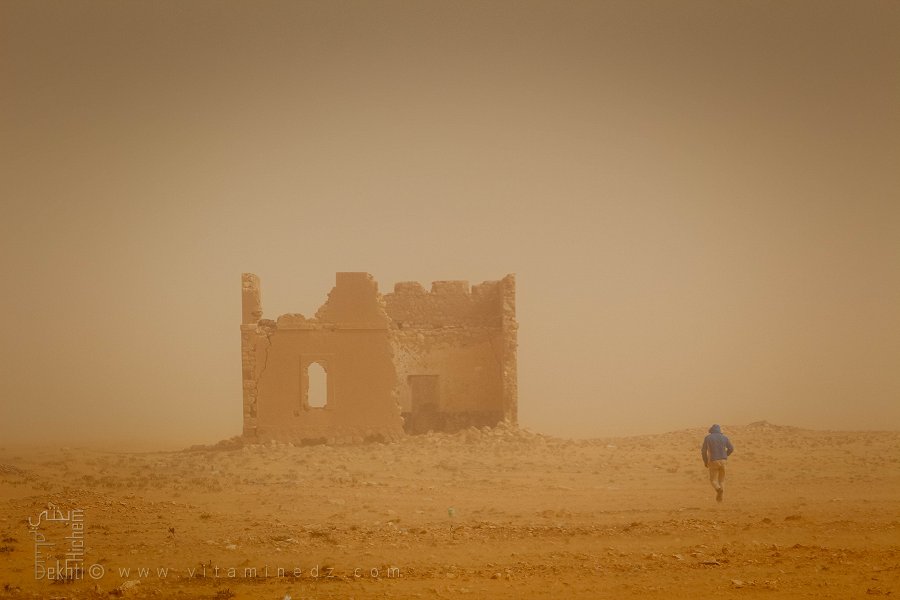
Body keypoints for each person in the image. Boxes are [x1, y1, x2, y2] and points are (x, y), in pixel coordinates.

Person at [701, 424, 734, 502]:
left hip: (713, 460)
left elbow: (703, 451)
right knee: (721, 480)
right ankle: (721, 499)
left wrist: (705, 461)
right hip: (723, 460)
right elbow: (731, 448)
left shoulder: (708, 438)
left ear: (711, 431)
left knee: (713, 480)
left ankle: (718, 489)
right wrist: (726, 455)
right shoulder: (725, 437)